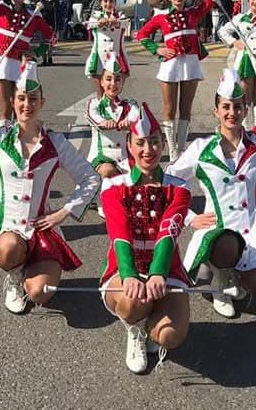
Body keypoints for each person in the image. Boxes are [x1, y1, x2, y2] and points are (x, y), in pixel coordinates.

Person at [0, 60, 100, 315]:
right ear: (13, 102)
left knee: (40, 294)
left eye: (34, 99)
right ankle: (14, 276)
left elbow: (91, 178)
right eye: (22, 99)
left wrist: (64, 212)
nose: (28, 105)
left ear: (42, 103)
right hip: (9, 229)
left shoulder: (55, 143)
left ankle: (30, 272)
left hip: (42, 230)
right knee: (8, 249)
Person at [168, 66, 256, 318]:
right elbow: (169, 180)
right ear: (216, 111)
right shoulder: (201, 149)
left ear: (245, 110)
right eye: (226, 107)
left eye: (237, 106)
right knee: (226, 244)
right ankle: (218, 283)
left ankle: (228, 275)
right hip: (218, 231)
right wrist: (190, 218)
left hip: (253, 231)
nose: (232, 112)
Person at [99, 102, 191, 374]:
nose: (148, 150)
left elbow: (168, 231)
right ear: (129, 145)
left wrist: (158, 273)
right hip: (123, 270)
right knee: (133, 301)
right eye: (140, 143)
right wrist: (129, 274)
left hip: (166, 272)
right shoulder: (114, 186)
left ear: (163, 144)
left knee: (170, 337)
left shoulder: (179, 187)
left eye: (154, 142)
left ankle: (153, 323)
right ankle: (135, 328)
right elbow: (120, 233)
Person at [135, 0, 219, 160]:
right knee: (169, 108)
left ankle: (181, 148)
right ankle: (172, 150)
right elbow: (141, 35)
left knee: (186, 107)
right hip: (171, 65)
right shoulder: (161, 17)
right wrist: (157, 49)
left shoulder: (193, 13)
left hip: (190, 64)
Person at [85, 54, 137, 208]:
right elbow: (92, 116)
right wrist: (104, 122)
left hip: (124, 159)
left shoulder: (129, 105)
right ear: (101, 81)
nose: (113, 84)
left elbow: (136, 115)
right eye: (108, 79)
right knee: (108, 170)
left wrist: (129, 122)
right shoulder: (94, 104)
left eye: (117, 79)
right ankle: (103, 201)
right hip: (102, 158)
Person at [84, 0, 130, 96]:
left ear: (115, 2)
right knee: (100, 93)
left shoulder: (120, 16)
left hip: (117, 57)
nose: (108, 4)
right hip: (99, 59)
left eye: (111, 1)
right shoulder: (96, 16)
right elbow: (89, 25)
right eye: (105, 1)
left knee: (114, 93)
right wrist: (99, 23)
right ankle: (100, 112)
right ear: (101, 2)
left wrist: (117, 22)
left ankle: (115, 113)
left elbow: (126, 23)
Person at [39, 0, 58, 65]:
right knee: (42, 43)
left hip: (51, 24)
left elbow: (58, 14)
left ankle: (50, 59)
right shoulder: (40, 1)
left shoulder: (55, 2)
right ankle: (44, 60)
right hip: (42, 25)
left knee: (50, 43)